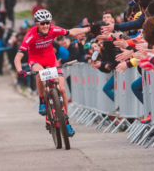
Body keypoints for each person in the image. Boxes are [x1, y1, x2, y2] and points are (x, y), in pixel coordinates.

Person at [14, 9, 101, 137]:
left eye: (47, 23)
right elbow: (18, 57)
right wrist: (19, 71)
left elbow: (71, 32)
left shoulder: (53, 29)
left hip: (50, 58)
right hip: (36, 59)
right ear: (37, 24)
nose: (45, 26)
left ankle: (66, 121)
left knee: (62, 89)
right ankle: (42, 101)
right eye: (42, 23)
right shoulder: (30, 34)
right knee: (39, 74)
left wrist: (89, 29)